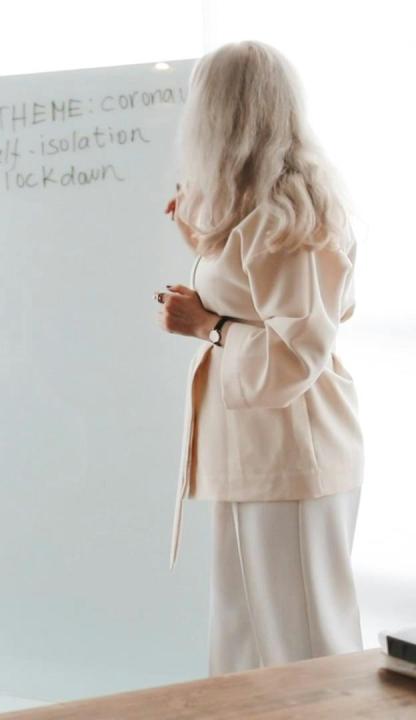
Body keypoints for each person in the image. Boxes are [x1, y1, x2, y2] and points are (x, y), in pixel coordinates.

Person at [155, 41, 363, 676]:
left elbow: (298, 353)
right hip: (256, 450)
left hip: (291, 452)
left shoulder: (289, 214)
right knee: (248, 639)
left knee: (304, 646)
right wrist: (202, 241)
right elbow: (258, 291)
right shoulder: (261, 207)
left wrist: (207, 325)